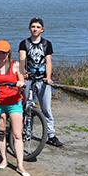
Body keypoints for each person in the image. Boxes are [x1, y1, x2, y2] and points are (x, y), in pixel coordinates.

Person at [0, 40, 29, 176]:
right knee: (1, 132)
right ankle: (4, 159)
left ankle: (20, 165)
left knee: (17, 135)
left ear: (8, 52)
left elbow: (22, 81)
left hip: (14, 102)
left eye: (3, 52)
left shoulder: (16, 65)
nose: (1, 55)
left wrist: (20, 83)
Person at [19, 17, 61, 147]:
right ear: (29, 28)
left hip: (42, 80)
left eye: (38, 27)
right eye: (33, 27)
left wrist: (48, 77)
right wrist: (23, 73)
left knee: (46, 108)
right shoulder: (24, 43)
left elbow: (48, 62)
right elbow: (22, 60)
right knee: (27, 107)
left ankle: (51, 135)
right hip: (29, 80)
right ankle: (26, 132)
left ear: (42, 29)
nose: (35, 29)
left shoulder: (47, 44)